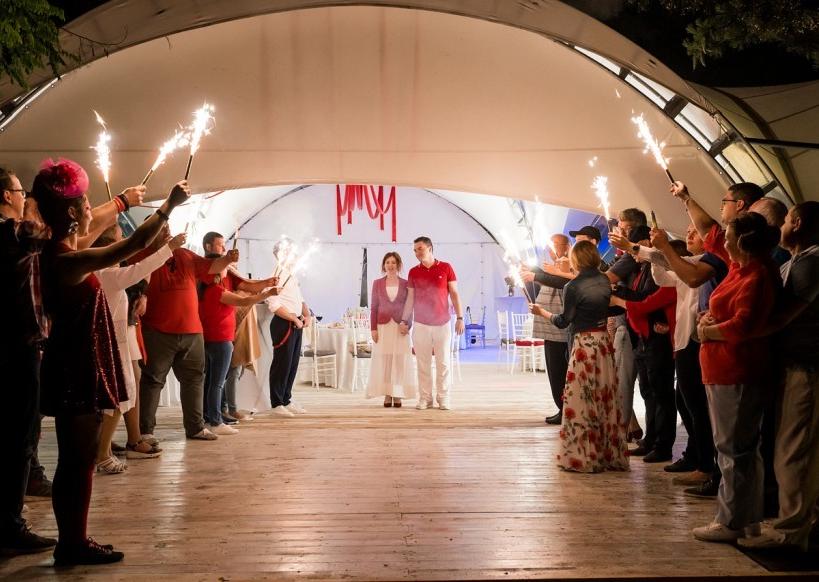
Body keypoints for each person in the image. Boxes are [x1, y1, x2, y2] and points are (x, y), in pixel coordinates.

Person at [32, 157, 189, 565]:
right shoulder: (66, 260)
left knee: (78, 460)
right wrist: (167, 207)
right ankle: (72, 544)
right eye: (85, 205)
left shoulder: (63, 249)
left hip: (77, 364)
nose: (91, 210)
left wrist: (122, 201)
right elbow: (130, 246)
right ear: (71, 213)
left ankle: (73, 540)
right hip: (74, 369)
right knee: (77, 461)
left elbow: (97, 225)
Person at [692, 212, 781, 543]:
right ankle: (747, 518)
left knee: (732, 449)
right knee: (740, 448)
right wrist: (710, 316)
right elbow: (729, 311)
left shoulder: (757, 274)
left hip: (736, 369)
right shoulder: (740, 269)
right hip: (723, 368)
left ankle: (730, 521)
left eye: (729, 237)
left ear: (743, 241)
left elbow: (744, 324)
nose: (724, 242)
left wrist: (708, 331)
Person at [739, 201, 819, 552]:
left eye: (786, 220)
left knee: (794, 452)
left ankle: (790, 532)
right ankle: (800, 522)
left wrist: (733, 332)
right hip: (793, 365)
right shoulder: (795, 261)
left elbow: (782, 316)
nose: (782, 226)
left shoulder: (811, 263)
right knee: (793, 449)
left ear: (797, 223)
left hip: (806, 366)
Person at [530, 241, 629, 473]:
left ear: (576, 260)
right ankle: (609, 453)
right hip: (603, 343)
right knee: (604, 396)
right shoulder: (604, 280)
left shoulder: (573, 286)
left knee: (582, 398)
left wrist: (542, 312)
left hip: (584, 344)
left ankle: (583, 455)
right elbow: (609, 307)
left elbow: (564, 321)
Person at [92, 224, 184, 472]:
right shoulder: (107, 274)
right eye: (120, 239)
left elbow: (139, 271)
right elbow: (140, 269)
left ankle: (103, 451)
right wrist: (168, 248)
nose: (124, 242)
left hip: (114, 341)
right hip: (111, 344)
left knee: (121, 396)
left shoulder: (106, 272)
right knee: (118, 397)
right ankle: (102, 455)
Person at [0, 166, 56, 555]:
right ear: (6, 196)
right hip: (16, 348)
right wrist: (121, 203)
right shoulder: (12, 233)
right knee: (19, 437)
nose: (24, 198)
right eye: (20, 192)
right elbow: (60, 233)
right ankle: (10, 528)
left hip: (11, 346)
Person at [137, 228, 239, 441]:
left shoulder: (184, 254)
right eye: (160, 228)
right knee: (153, 380)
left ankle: (195, 427)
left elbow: (211, 266)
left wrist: (227, 259)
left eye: (167, 227)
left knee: (194, 379)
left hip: (192, 331)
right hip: (158, 330)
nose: (166, 230)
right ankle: (145, 432)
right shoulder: (143, 254)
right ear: (149, 234)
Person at [199, 232, 278, 433]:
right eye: (220, 246)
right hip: (219, 338)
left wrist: (267, 283)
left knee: (212, 381)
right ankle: (215, 421)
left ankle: (210, 417)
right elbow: (245, 300)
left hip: (215, 337)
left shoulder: (217, 284)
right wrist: (267, 293)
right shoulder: (215, 289)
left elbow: (247, 286)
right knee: (217, 382)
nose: (231, 270)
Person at [610, 225, 677, 463]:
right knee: (648, 391)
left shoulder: (659, 269)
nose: (632, 256)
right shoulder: (642, 269)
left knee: (662, 393)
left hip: (657, 337)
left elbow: (648, 300)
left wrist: (620, 295)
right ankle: (650, 438)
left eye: (634, 249)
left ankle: (662, 444)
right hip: (642, 337)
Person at [399, 236, 464, 410]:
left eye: (420, 248)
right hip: (421, 324)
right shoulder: (413, 272)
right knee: (423, 364)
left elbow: (454, 293)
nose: (417, 253)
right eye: (415, 250)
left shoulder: (446, 267)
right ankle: (425, 398)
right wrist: (404, 320)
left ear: (430, 248)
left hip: (443, 323)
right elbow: (410, 298)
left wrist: (460, 318)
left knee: (443, 363)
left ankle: (443, 398)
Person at [521, 234, 572, 424]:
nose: (551, 248)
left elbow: (559, 281)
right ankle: (562, 407)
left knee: (560, 370)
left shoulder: (567, 264)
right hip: (550, 327)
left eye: (555, 244)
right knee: (554, 371)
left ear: (567, 246)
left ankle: (566, 408)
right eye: (550, 244)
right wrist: (532, 271)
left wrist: (535, 275)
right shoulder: (556, 264)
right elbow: (549, 278)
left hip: (559, 327)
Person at [266, 238, 313, 417]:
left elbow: (300, 299)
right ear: (280, 254)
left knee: (292, 364)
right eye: (289, 251)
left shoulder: (291, 274)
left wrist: (307, 315)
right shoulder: (276, 275)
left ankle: (286, 399)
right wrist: (293, 317)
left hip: (296, 323)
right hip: (283, 323)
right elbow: (273, 304)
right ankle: (276, 403)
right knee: (282, 364)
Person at [366, 252, 418, 407]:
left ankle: (398, 393)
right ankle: (388, 393)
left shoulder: (406, 283)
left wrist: (407, 325)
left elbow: (410, 306)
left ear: (399, 265)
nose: (390, 265)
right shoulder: (377, 283)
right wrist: (373, 329)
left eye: (393, 262)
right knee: (385, 360)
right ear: (384, 265)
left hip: (400, 327)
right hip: (383, 326)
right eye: (387, 262)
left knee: (400, 360)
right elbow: (374, 308)